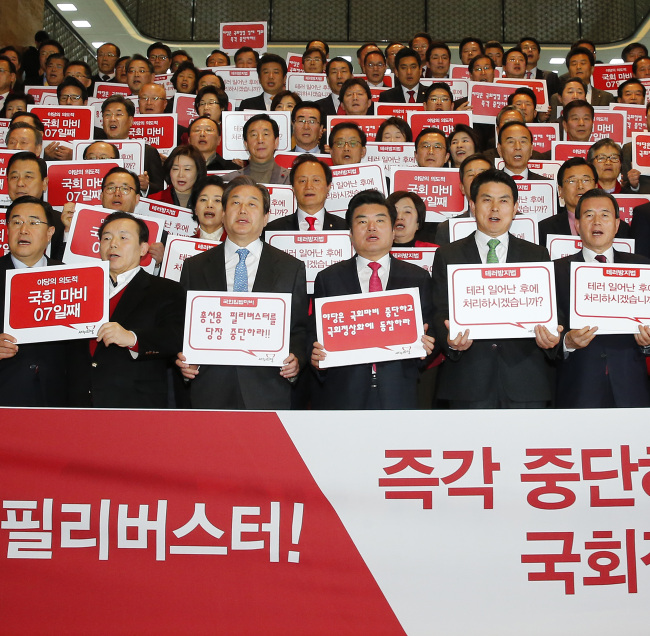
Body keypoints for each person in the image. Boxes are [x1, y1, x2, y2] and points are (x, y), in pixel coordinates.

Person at [177, 176, 308, 409]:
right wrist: (184, 359)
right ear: (224, 214)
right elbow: (183, 325)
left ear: (266, 217)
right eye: (235, 203)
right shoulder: (194, 267)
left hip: (268, 388)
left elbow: (298, 328)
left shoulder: (291, 268)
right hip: (210, 387)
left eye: (252, 204)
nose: (243, 210)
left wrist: (296, 358)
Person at [431, 169, 557, 408]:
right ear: (472, 204)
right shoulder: (448, 254)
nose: (495, 208)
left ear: (516, 207)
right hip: (468, 380)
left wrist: (552, 335)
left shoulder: (536, 255)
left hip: (525, 380)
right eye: (486, 200)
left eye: (504, 200)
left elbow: (550, 310)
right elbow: (440, 309)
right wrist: (449, 339)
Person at [310, 189, 435, 409]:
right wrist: (316, 356)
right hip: (344, 394)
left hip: (399, 393)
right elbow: (313, 336)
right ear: (350, 233)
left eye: (380, 220)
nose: (371, 227)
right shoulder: (328, 279)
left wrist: (428, 345)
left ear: (393, 231)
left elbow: (432, 333)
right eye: (362, 222)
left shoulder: (418, 278)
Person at [73, 211, 185, 408]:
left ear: (143, 249)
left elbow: (175, 338)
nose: (113, 244)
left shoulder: (166, 290)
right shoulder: (79, 289)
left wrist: (132, 339)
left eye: (123, 237)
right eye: (106, 238)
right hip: (79, 401)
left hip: (135, 404)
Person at [552, 190, 650, 407]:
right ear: (577, 225)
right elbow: (547, 333)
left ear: (616, 224)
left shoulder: (642, 268)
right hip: (579, 387)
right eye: (588, 215)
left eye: (605, 215)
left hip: (631, 388)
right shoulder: (556, 271)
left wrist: (647, 344)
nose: (597, 221)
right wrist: (567, 342)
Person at [0, 196, 79, 407]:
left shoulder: (72, 278)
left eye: (34, 223)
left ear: (50, 232)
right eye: (16, 222)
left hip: (59, 398)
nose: (23, 230)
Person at [538, 157, 629, 247]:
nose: (580, 186)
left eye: (586, 180)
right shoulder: (545, 228)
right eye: (572, 181)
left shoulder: (619, 227)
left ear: (596, 187)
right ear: (560, 190)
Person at [96, 95, 164, 194]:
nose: (112, 119)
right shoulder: (92, 150)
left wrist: (146, 187)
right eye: (107, 115)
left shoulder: (147, 151)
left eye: (118, 115)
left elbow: (160, 188)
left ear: (131, 120)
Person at [265, 155, 347, 233]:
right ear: (293, 188)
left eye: (316, 180)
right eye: (302, 181)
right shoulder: (273, 230)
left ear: (328, 186)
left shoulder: (345, 228)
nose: (309, 186)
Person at [434, 154, 492, 245]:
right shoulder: (447, 228)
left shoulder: (517, 221)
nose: (476, 178)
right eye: (471, 174)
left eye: (482, 173)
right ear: (462, 188)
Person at [222, 113, 290, 184]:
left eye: (265, 134)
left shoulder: (291, 178)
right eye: (254, 135)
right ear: (246, 144)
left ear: (276, 142)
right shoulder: (229, 180)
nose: (260, 140)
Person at [189, 175, 226, 240]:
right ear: (195, 209)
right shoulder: (182, 245)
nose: (209, 205)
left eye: (217, 200)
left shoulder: (237, 245)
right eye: (203, 200)